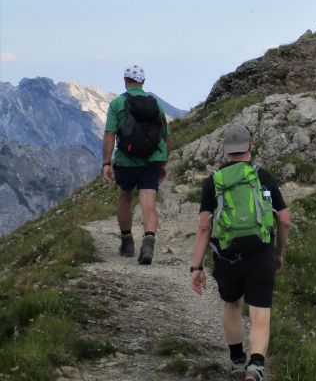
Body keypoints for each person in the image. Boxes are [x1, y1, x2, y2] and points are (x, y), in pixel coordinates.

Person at [190, 123, 290, 381]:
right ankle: (255, 368)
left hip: (227, 254)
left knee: (232, 304)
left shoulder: (213, 181)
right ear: (250, 147)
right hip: (261, 251)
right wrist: (279, 253)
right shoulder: (263, 176)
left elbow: (204, 227)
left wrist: (196, 267)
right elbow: (284, 219)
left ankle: (237, 363)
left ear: (226, 150)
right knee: (259, 310)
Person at [102, 65, 171, 265]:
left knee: (125, 197)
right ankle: (148, 242)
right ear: (143, 82)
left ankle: (127, 242)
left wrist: (106, 162)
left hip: (126, 159)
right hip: (153, 159)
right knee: (148, 199)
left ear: (125, 80)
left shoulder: (117, 103)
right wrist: (163, 162)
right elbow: (166, 137)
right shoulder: (156, 105)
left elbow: (109, 134)